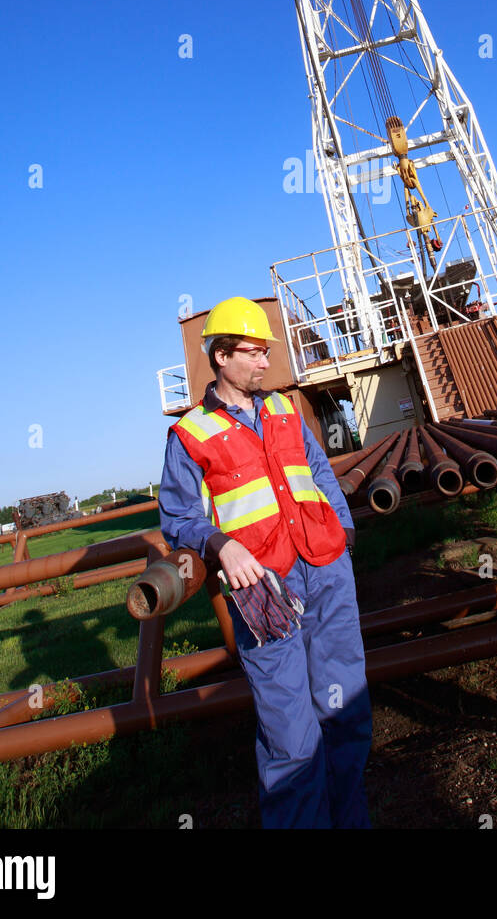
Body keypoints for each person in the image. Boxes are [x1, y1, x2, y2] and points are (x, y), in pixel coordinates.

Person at [158, 296, 372, 829]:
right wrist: (219, 544)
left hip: (325, 569)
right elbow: (177, 517)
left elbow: (320, 473)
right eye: (254, 353)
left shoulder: (283, 409)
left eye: (265, 353)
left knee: (346, 712)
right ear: (223, 356)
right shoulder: (190, 435)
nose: (264, 363)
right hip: (264, 590)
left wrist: (341, 530)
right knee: (290, 735)